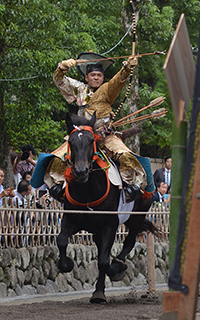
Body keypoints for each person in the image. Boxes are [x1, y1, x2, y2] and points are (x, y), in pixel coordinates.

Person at [49, 52, 155, 202]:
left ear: (103, 78)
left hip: (105, 136)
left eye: (99, 75)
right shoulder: (79, 89)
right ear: (86, 77)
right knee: (57, 157)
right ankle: (57, 189)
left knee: (125, 155)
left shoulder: (106, 90)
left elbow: (117, 82)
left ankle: (133, 188)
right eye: (93, 75)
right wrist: (62, 67)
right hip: (82, 137)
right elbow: (59, 80)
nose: (96, 78)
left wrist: (127, 68)